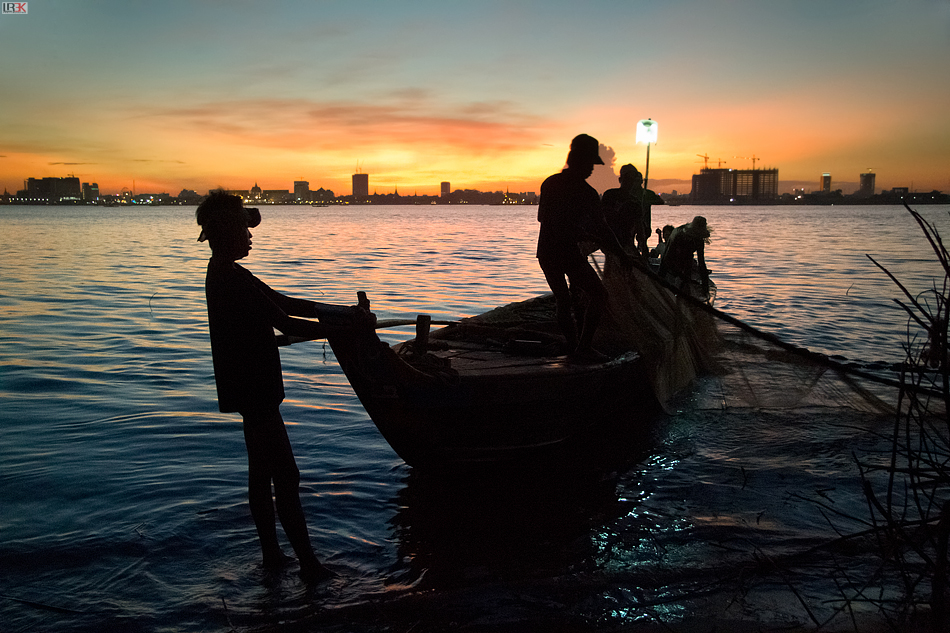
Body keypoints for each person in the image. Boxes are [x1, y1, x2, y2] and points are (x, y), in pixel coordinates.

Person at [196, 191, 374, 584]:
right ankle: (309, 566)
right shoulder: (230, 279)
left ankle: (273, 557)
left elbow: (287, 302)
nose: (250, 234)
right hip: (255, 392)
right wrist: (345, 330)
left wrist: (342, 314)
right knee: (287, 477)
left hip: (248, 390)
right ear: (227, 231)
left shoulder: (228, 273)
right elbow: (286, 322)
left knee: (261, 473)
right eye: (244, 227)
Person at [536, 134, 631, 362]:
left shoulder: (552, 183)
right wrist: (619, 253)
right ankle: (582, 347)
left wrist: (618, 252)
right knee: (597, 295)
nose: (591, 170)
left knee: (564, 299)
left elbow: (600, 228)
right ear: (577, 161)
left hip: (550, 252)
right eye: (589, 164)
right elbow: (601, 228)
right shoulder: (584, 192)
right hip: (563, 252)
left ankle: (574, 347)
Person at [601, 164, 664, 257]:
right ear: (620, 180)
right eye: (627, 179)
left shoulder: (636, 202)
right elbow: (600, 218)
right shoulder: (609, 195)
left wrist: (644, 247)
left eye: (632, 180)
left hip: (626, 244)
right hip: (609, 242)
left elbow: (640, 228)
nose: (629, 183)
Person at [658, 215, 711, 295]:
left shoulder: (699, 240)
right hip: (673, 252)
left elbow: (701, 263)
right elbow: (667, 257)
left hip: (687, 257)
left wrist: (705, 288)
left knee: (686, 275)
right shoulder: (679, 234)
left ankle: (684, 289)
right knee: (667, 268)